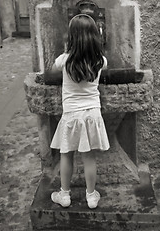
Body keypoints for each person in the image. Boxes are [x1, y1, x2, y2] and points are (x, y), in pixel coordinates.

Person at [44, 14, 110, 209]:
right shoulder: (101, 61)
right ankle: (91, 196)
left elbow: (51, 70)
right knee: (89, 157)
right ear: (95, 36)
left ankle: (64, 195)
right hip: (92, 114)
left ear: (71, 37)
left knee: (66, 154)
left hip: (71, 114)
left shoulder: (64, 60)